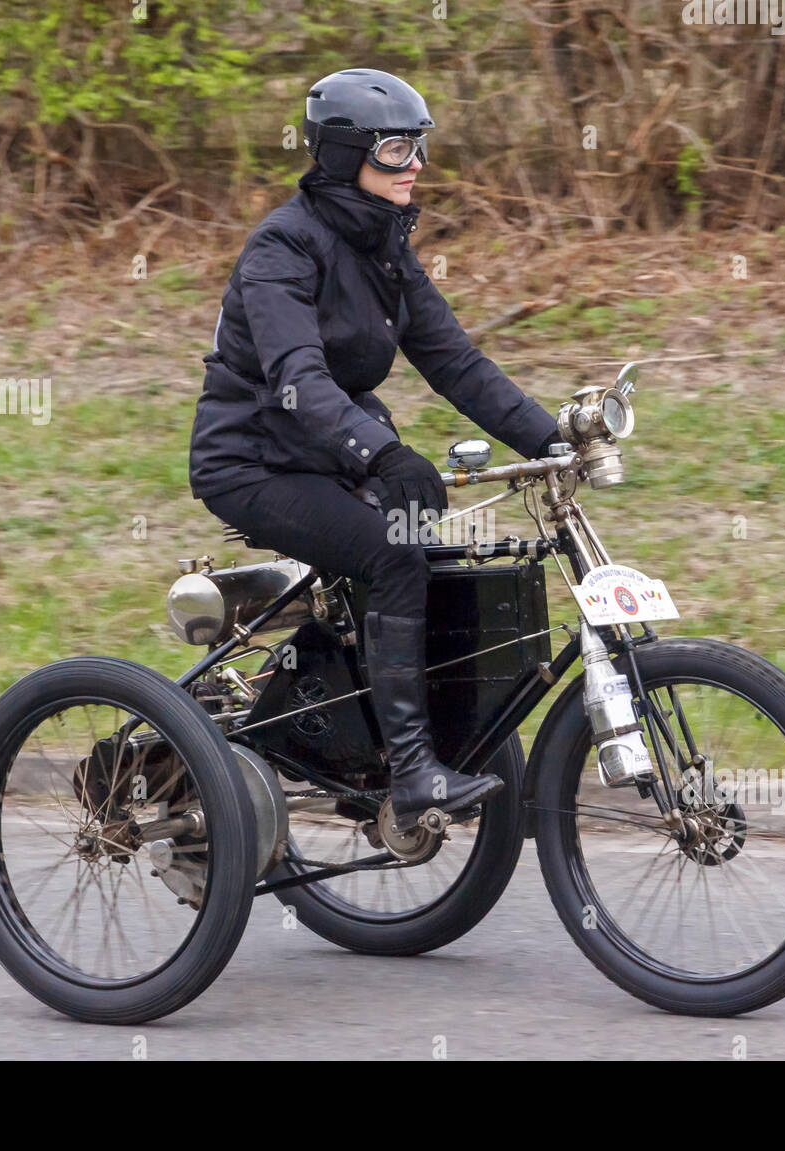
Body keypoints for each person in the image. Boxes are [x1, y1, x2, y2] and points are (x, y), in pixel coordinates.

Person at [189, 67, 558, 828]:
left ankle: (370, 741)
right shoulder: (282, 249)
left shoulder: (385, 249)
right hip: (252, 463)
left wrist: (554, 439)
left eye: (419, 148)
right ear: (342, 156)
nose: (416, 165)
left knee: (437, 555)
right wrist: (382, 454)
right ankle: (413, 772)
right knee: (394, 554)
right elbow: (298, 378)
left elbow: (457, 363)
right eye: (396, 150)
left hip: (324, 456)